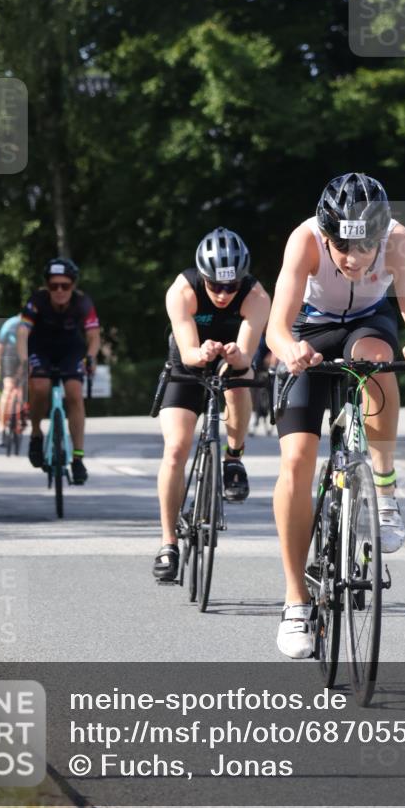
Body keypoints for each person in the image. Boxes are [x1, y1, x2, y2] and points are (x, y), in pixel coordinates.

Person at [266, 173, 405, 658]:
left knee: (375, 360)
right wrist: (290, 351)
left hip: (369, 323)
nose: (348, 256)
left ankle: (383, 491)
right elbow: (276, 328)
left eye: (360, 245)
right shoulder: (304, 239)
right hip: (312, 328)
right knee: (297, 461)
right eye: (338, 243)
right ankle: (295, 602)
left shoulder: (398, 241)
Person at [153, 228, 271, 583]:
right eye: (214, 286)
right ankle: (168, 543)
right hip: (186, 365)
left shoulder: (257, 296)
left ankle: (233, 459)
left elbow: (248, 355)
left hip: (231, 362)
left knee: (238, 384)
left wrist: (236, 355)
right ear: (201, 277)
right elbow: (188, 350)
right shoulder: (182, 290)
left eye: (230, 286)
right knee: (175, 449)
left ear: (242, 280)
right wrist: (200, 352)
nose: (222, 294)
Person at [16, 258, 99, 485]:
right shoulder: (37, 301)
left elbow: (94, 336)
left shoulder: (83, 303)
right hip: (40, 349)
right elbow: (22, 333)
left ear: (73, 286)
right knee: (40, 387)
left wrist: (90, 357)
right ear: (47, 286)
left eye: (65, 285)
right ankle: (35, 433)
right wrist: (24, 361)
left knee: (74, 392)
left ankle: (78, 458)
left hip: (70, 351)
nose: (59, 290)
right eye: (54, 286)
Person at [0, 314, 23, 446]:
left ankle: (20, 417)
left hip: (27, 353)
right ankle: (1, 428)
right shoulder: (11, 323)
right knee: (8, 388)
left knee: (22, 389)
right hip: (11, 353)